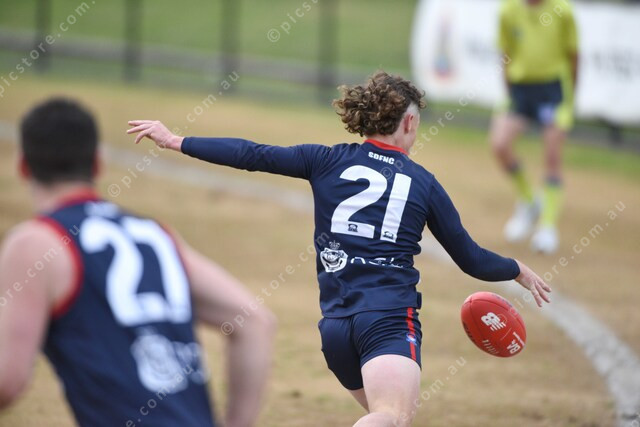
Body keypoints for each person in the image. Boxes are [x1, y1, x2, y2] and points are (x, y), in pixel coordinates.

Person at [128, 71, 552, 427]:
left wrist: (177, 140)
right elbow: (471, 259)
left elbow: (252, 154)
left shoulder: (325, 160)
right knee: (390, 418)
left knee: (389, 419)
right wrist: (516, 268)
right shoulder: (423, 183)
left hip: (336, 328)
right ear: (408, 122)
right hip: (387, 320)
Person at [0, 98, 275, 427]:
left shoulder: (36, 243)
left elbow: (7, 382)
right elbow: (254, 321)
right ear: (98, 164)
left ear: (23, 167)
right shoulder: (155, 235)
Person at [490, 0, 579, 254]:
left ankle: (547, 227)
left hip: (553, 90)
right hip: (520, 90)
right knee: (500, 145)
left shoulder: (563, 10)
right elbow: (505, 53)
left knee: (552, 157)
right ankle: (530, 202)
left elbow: (574, 56)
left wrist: (569, 100)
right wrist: (509, 91)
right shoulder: (508, 10)